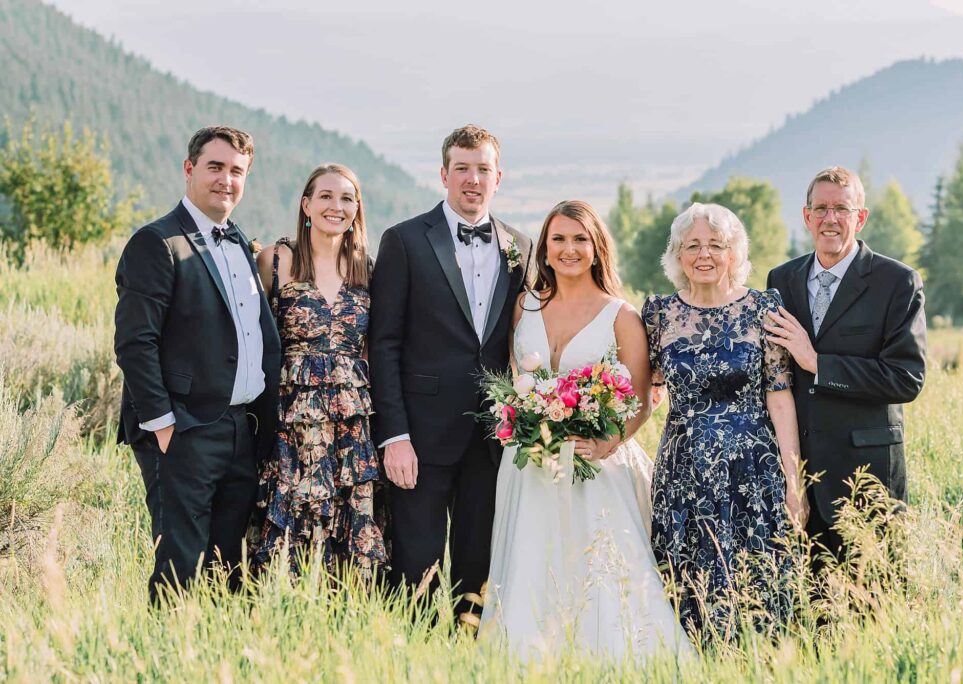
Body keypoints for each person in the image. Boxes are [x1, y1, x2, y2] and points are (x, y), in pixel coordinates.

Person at [480, 200, 692, 660]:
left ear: (597, 248)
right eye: (558, 239)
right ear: (545, 247)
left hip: (599, 467)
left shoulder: (620, 315)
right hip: (530, 467)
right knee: (531, 563)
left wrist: (606, 442)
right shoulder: (524, 306)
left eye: (580, 239)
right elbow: (517, 380)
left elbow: (640, 399)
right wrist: (526, 420)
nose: (568, 249)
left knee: (603, 571)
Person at [368, 125, 533, 628]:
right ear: (444, 174)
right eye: (462, 167)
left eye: (483, 168)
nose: (472, 179)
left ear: (498, 177)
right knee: (414, 565)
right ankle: (413, 659)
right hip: (419, 437)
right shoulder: (405, 240)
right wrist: (394, 435)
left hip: (493, 439)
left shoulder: (520, 247)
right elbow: (384, 344)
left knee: (478, 564)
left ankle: (467, 654)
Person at [114, 126, 281, 603]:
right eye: (215, 167)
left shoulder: (239, 243)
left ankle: (213, 658)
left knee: (228, 566)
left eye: (237, 171)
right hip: (182, 428)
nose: (226, 180)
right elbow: (134, 343)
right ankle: (164, 663)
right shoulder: (157, 243)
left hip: (238, 429)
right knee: (179, 562)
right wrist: (164, 425)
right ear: (189, 169)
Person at [641, 202, 805, 638]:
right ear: (677, 256)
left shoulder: (763, 309)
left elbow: (780, 397)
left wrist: (794, 480)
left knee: (757, 580)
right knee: (687, 582)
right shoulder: (658, 315)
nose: (704, 255)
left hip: (753, 468)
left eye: (717, 244)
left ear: (735, 253)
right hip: (684, 471)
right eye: (692, 245)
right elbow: (646, 393)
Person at [765, 166, 926, 564]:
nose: (830, 219)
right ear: (806, 217)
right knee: (808, 605)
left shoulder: (897, 282)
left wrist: (818, 363)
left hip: (867, 477)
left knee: (874, 602)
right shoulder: (781, 280)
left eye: (842, 208)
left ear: (861, 217)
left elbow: (906, 378)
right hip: (798, 475)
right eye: (820, 208)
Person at [251, 163, 387, 579]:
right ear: (306, 205)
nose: (336, 206)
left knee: (349, 514)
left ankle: (345, 611)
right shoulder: (275, 260)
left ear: (357, 209)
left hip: (351, 418)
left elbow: (373, 346)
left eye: (346, 198)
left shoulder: (368, 267)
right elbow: (255, 339)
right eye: (326, 196)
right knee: (295, 509)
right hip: (293, 418)